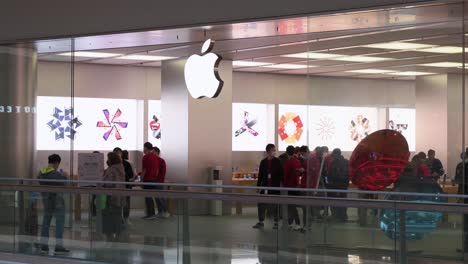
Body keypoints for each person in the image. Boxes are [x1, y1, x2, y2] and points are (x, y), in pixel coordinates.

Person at [38, 154, 69, 255]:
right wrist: (65, 176)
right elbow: (64, 184)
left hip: (47, 201)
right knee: (59, 225)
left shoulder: (41, 173)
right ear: (56, 163)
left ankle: (44, 245)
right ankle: (58, 246)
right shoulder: (56, 174)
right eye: (58, 164)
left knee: (45, 224)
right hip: (58, 203)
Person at [253, 144, 283, 230]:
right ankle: (261, 221)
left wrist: (281, 185)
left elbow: (281, 174)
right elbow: (260, 175)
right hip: (265, 186)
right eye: (273, 150)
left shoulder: (278, 161)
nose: (274, 152)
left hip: (275, 187)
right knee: (261, 204)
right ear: (268, 151)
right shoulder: (263, 162)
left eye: (274, 150)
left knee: (275, 204)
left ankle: (276, 222)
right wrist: (258, 187)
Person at [102, 152, 126, 242]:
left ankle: (110, 236)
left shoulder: (111, 169)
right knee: (117, 216)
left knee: (108, 217)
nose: (107, 160)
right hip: (119, 197)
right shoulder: (121, 168)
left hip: (111, 197)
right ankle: (118, 235)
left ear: (111, 160)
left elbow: (108, 183)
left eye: (108, 159)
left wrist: (102, 181)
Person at [283, 145, 304, 230]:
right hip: (296, 185)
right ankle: (291, 223)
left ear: (286, 152)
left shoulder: (288, 162)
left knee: (291, 206)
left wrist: (284, 185)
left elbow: (286, 175)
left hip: (290, 186)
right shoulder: (297, 161)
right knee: (292, 206)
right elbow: (299, 173)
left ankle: (297, 223)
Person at [326, 149, 349, 222]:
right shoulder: (346, 162)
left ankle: (335, 216)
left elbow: (330, 175)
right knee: (343, 201)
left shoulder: (334, 163)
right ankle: (343, 216)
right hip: (344, 186)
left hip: (335, 186)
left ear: (336, 154)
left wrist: (329, 182)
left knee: (334, 201)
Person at [113, 147, 135, 222]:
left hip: (126, 187)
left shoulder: (127, 164)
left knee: (126, 203)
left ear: (121, 154)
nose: (117, 156)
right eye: (115, 154)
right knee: (116, 203)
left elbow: (131, 176)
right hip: (116, 187)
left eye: (118, 154)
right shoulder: (112, 164)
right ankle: (118, 218)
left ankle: (125, 218)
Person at [141, 142, 161, 219]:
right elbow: (157, 169)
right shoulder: (155, 157)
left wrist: (141, 181)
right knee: (151, 197)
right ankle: (151, 213)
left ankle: (151, 214)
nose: (143, 149)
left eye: (144, 147)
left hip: (147, 179)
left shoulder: (146, 157)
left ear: (146, 147)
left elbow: (144, 170)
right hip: (154, 179)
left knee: (148, 197)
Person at [153, 146, 170, 218]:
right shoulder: (154, 160)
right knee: (157, 197)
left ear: (157, 152)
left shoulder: (161, 161)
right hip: (154, 181)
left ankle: (165, 211)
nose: (152, 154)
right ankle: (160, 211)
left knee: (160, 197)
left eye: (153, 152)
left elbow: (160, 172)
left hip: (159, 181)